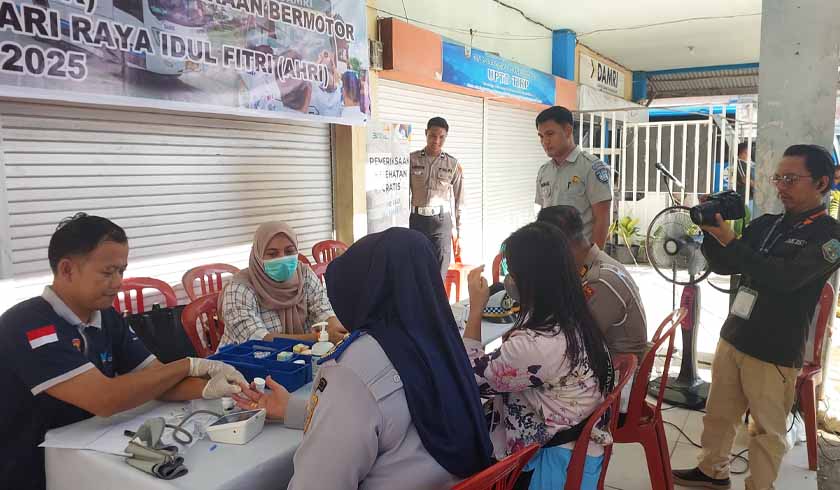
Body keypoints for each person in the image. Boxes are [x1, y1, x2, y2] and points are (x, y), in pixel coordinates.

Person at [0, 213, 245, 490]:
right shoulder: (29, 325)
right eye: (108, 272)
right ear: (67, 270)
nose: (118, 283)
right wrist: (188, 365)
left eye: (122, 270)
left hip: (89, 455)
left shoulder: (106, 317)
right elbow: (104, 399)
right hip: (30, 468)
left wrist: (216, 390)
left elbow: (156, 379)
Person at [233, 228, 493, 489]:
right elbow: (393, 415)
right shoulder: (442, 343)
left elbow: (318, 482)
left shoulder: (355, 368)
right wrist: (295, 409)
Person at [673, 144, 840, 490]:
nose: (780, 186)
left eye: (791, 179)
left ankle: (760, 486)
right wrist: (711, 232)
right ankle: (712, 471)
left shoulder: (829, 235)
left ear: (822, 183)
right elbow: (725, 264)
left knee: (766, 429)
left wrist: (732, 241)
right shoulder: (767, 223)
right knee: (719, 413)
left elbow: (785, 278)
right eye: (778, 178)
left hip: (775, 346)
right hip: (735, 334)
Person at [465, 221, 614, 490]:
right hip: (581, 455)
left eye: (512, 270)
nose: (509, 278)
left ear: (532, 278)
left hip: (552, 469)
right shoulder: (574, 317)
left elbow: (469, 378)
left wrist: (476, 309)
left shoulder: (536, 344)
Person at [537, 205, 647, 360]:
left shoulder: (600, 281)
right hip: (604, 357)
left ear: (558, 243)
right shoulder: (591, 263)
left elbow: (573, 342)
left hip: (617, 371)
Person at [218, 221, 346, 348]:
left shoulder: (304, 274)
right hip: (242, 362)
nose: (282, 259)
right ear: (258, 255)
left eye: (289, 251)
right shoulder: (239, 288)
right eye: (272, 254)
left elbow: (322, 308)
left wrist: (337, 330)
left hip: (297, 358)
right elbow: (257, 340)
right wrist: (319, 338)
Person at [534, 106, 612, 249]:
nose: (545, 141)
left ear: (568, 130)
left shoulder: (591, 167)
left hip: (579, 258)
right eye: (541, 136)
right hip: (551, 255)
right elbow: (541, 215)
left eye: (550, 134)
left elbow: (602, 219)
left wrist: (591, 262)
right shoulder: (544, 171)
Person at [409, 117, 465, 279]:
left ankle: (437, 303)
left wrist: (460, 235)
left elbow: (460, 202)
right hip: (417, 220)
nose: (437, 141)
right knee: (417, 267)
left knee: (440, 271)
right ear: (426, 133)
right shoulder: (411, 160)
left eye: (442, 137)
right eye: (433, 135)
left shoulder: (453, 164)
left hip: (441, 223)